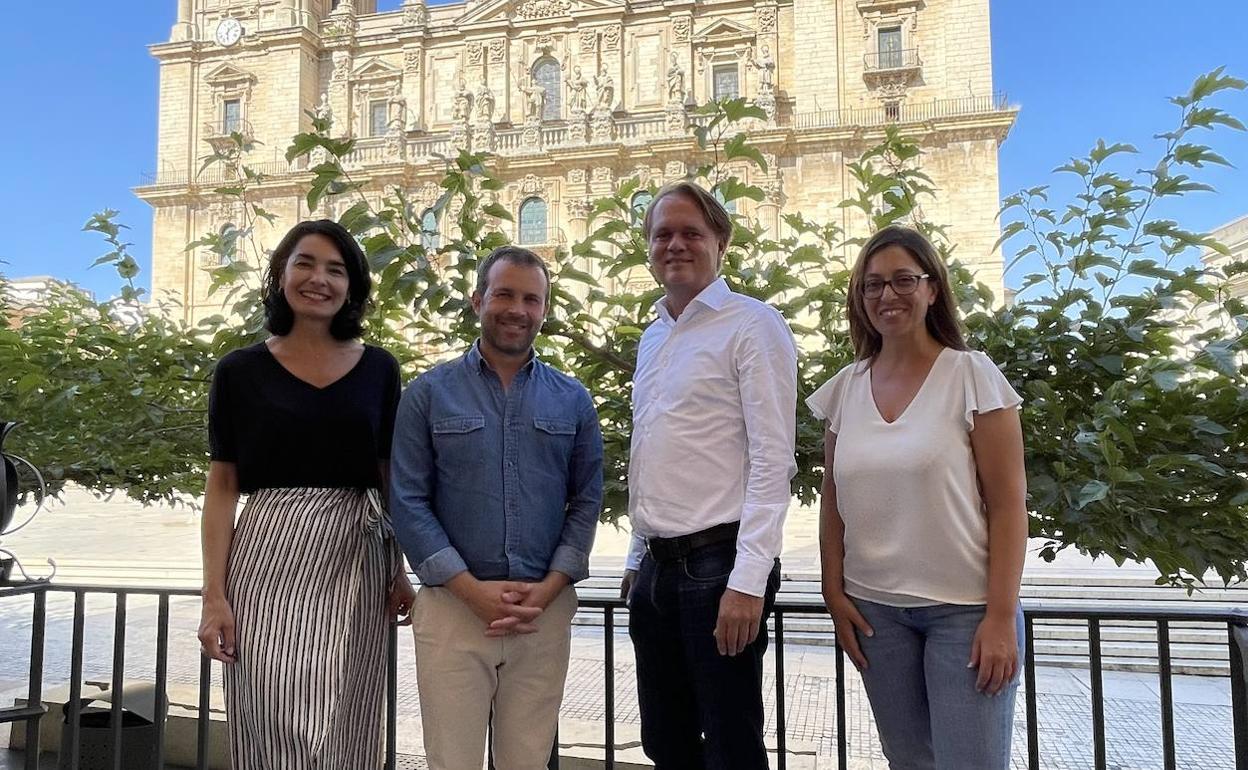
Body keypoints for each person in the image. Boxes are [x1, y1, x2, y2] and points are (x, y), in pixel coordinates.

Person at [808, 225, 1027, 769]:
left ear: (932, 289)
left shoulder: (972, 376)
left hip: (965, 612)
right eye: (873, 284)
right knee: (908, 762)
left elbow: (1008, 505)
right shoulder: (845, 388)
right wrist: (833, 592)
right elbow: (833, 502)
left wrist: (1001, 615)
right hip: (875, 614)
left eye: (904, 279)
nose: (888, 294)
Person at [198, 219, 414, 770]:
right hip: (267, 556)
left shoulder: (381, 369)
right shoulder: (238, 371)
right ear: (281, 274)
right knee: (269, 714)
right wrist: (214, 596)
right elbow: (222, 488)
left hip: (357, 559)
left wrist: (398, 570)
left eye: (336, 270)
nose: (319, 279)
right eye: (306, 264)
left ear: (352, 286)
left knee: (348, 719)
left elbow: (388, 476)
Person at [390, 246, 604, 770]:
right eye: (504, 294)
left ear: (545, 309)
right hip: (454, 611)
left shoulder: (573, 399)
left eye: (532, 299)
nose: (517, 309)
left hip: (541, 615)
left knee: (527, 762)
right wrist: (470, 590)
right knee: (452, 762)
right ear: (477, 300)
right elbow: (407, 499)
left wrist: (549, 589)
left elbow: (586, 500)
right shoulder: (427, 394)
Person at [622, 181, 798, 768]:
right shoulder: (653, 336)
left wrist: (748, 582)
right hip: (657, 568)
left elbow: (773, 458)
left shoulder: (753, 324)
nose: (675, 245)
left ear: (721, 242)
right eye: (662, 234)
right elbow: (652, 449)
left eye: (691, 233)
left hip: (720, 567)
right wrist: (636, 558)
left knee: (730, 746)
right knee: (665, 743)